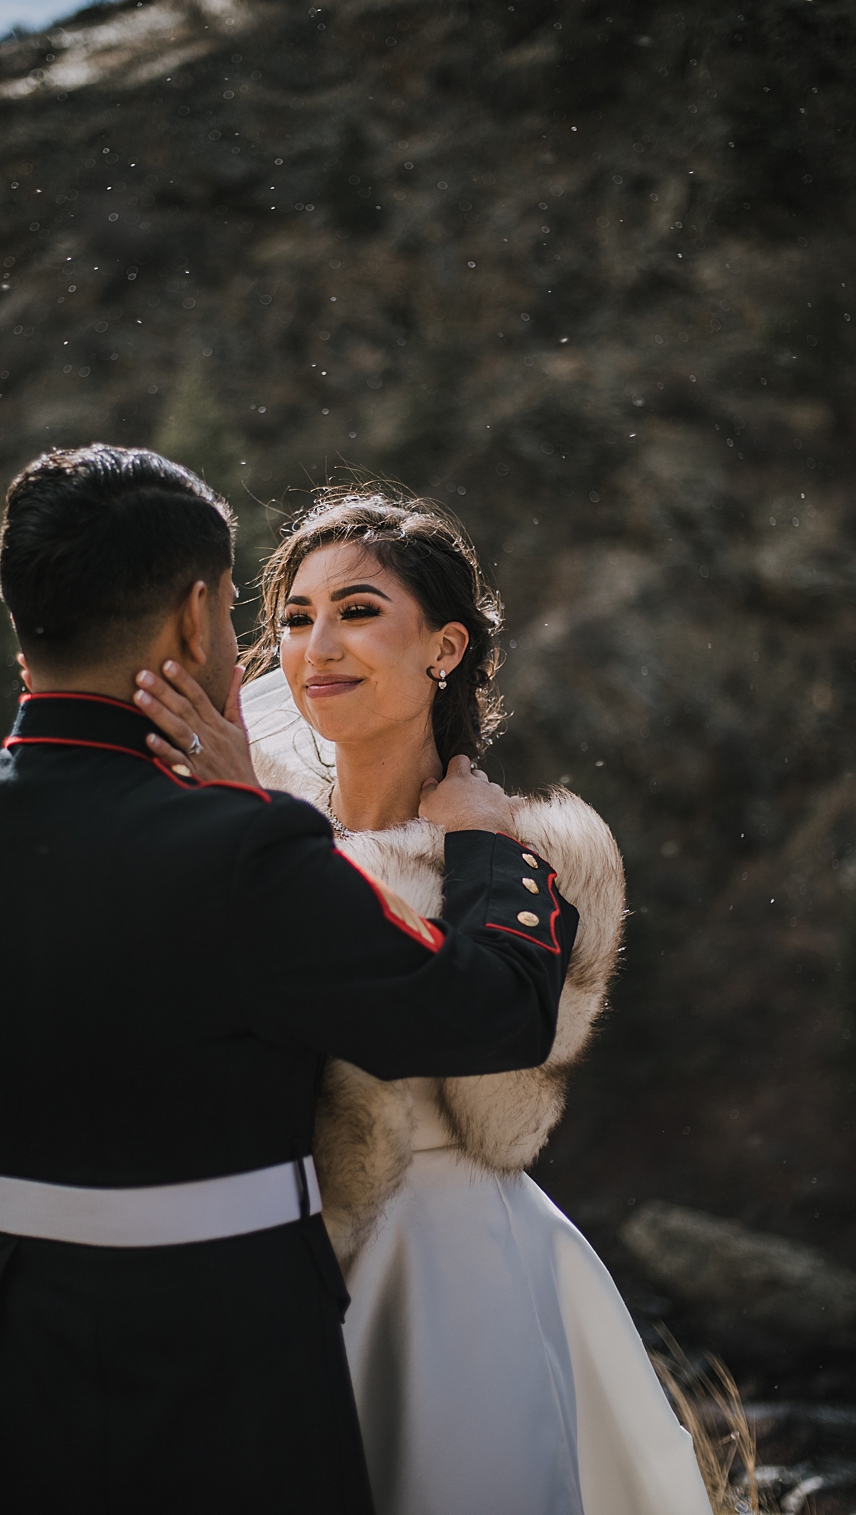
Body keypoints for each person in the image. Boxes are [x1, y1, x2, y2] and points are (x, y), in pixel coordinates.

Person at [0, 447, 577, 1515]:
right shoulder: (245, 852)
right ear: (197, 619)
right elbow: (491, 1013)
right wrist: (482, 855)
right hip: (211, 1372)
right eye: (267, 613)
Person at [140, 487, 713, 1515]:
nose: (319, 644)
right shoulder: (245, 821)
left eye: (358, 610)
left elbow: (495, 1053)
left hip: (449, 1265)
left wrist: (459, 846)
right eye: (297, 615)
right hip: (258, 1256)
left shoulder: (530, 861)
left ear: (443, 648)